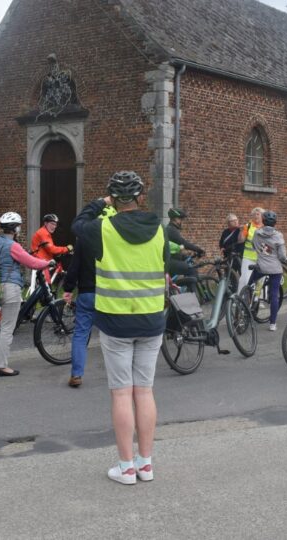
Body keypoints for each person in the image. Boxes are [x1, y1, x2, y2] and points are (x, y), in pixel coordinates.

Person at [72, 171, 170, 485]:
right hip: (152, 319)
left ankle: (126, 468)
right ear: (142, 197)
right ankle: (146, 464)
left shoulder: (100, 228)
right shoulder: (160, 230)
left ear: (113, 198)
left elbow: (76, 225)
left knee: (121, 393)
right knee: (144, 391)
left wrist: (98, 203)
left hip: (116, 322)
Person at [0, 212, 53, 377]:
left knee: (2, 324)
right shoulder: (13, 246)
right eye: (18, 226)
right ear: (14, 228)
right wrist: (48, 262)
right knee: (7, 328)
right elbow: (31, 263)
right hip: (10, 287)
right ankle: (1, 365)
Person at [62, 237, 96, 388]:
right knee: (114, 336)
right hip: (109, 294)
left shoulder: (84, 239)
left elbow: (74, 267)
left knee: (81, 334)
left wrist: (68, 288)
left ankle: (76, 374)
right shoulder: (112, 234)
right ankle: (122, 375)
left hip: (87, 292)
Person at [250, 210, 287, 331]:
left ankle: (248, 303)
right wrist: (284, 259)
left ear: (263, 221)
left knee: (250, 285)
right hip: (275, 269)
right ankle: (272, 324)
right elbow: (282, 256)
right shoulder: (278, 235)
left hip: (260, 266)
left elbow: (254, 246)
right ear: (275, 223)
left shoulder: (256, 233)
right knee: (274, 295)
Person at [165, 208, 204, 279]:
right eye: (180, 219)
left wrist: (185, 255)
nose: (181, 221)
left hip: (171, 259)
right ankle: (193, 290)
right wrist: (198, 249)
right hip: (170, 261)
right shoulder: (171, 230)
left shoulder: (171, 228)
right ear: (175, 219)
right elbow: (183, 243)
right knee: (192, 270)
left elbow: (176, 247)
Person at [237, 207, 264, 293]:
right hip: (248, 258)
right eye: (254, 214)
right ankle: (240, 298)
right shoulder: (248, 226)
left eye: (258, 214)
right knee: (244, 279)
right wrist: (241, 232)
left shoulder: (265, 227)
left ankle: (257, 300)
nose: (256, 216)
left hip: (261, 258)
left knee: (260, 280)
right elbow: (241, 240)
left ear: (262, 216)